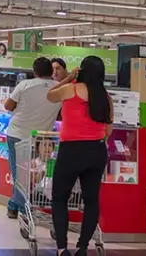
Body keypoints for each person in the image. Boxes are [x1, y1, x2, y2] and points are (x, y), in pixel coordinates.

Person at [46, 56, 113, 256]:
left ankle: (62, 248)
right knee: (91, 200)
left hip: (71, 151)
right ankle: (82, 247)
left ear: (82, 70)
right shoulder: (105, 96)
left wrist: (68, 78)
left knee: (59, 198)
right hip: (98, 151)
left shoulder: (71, 89)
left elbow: (49, 95)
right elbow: (108, 129)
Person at [4, 57, 61, 220]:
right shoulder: (58, 89)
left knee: (20, 175)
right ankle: (14, 206)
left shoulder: (24, 85)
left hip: (18, 134)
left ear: (34, 72)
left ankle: (22, 209)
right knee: (35, 173)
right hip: (41, 139)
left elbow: (8, 106)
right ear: (51, 71)